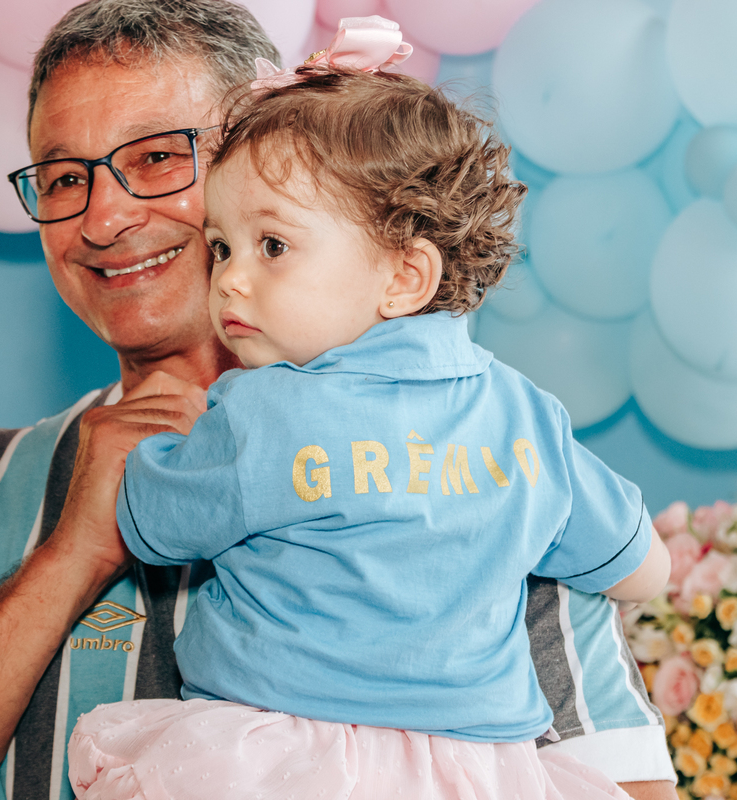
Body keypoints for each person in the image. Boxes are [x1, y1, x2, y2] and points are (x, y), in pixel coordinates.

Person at [0, 2, 677, 799]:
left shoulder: (462, 458)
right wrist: (70, 556)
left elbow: (626, 784)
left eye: (160, 157)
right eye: (61, 178)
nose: (102, 217)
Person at [65, 36, 671, 799]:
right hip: (472, 771)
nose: (230, 281)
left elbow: (151, 523)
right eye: (221, 248)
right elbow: (641, 567)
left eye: (272, 245)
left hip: (272, 758)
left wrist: (158, 447)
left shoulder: (261, 410)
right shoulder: (526, 416)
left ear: (406, 274)